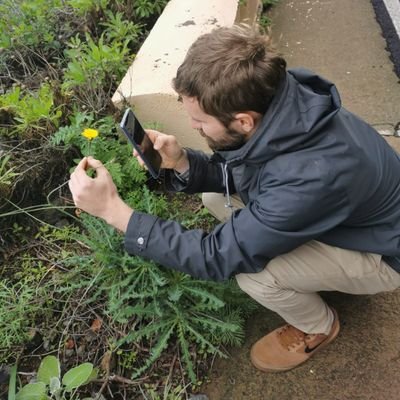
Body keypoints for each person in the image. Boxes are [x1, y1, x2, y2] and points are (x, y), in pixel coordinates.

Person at [68, 24, 400, 373]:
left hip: (381, 251)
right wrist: (182, 162)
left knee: (254, 275)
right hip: (343, 215)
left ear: (243, 121)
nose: (194, 127)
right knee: (216, 195)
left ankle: (319, 326)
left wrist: (115, 212)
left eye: (199, 121)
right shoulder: (283, 102)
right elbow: (249, 169)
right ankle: (301, 263)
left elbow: (215, 257)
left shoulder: (308, 177)